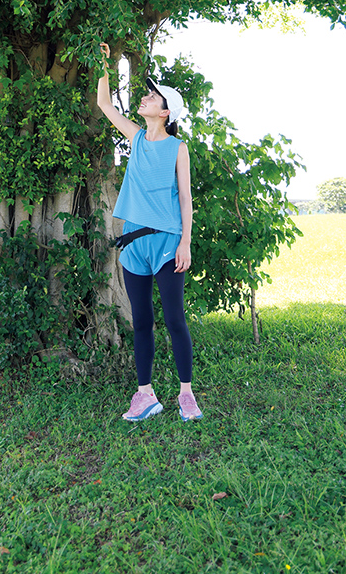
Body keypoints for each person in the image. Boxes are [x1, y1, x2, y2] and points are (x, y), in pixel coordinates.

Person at [97, 43, 203, 422]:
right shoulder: (136, 138)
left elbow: (187, 198)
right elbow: (106, 106)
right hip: (133, 245)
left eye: (152, 96)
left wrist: (186, 242)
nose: (144, 97)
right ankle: (145, 395)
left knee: (175, 319)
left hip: (167, 243)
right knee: (141, 321)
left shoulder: (178, 148)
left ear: (165, 112)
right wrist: (104, 64)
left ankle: (186, 395)